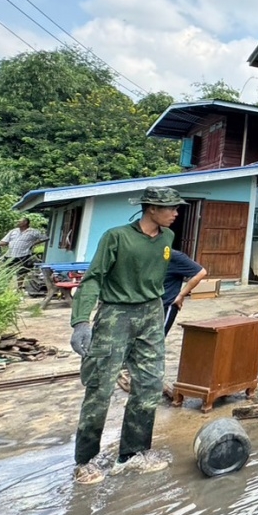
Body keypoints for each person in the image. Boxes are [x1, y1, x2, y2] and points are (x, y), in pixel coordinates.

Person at [68, 186, 185, 485]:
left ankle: (133, 453)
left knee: (149, 385)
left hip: (151, 315)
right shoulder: (116, 237)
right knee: (100, 388)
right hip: (115, 315)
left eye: (176, 208)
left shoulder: (168, 238)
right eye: (170, 208)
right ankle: (85, 460)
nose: (175, 213)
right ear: (151, 209)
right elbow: (93, 278)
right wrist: (81, 321)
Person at [162, 250, 208, 335]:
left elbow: (201, 273)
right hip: (148, 305)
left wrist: (181, 294)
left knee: (157, 340)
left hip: (166, 304)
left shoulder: (173, 256)